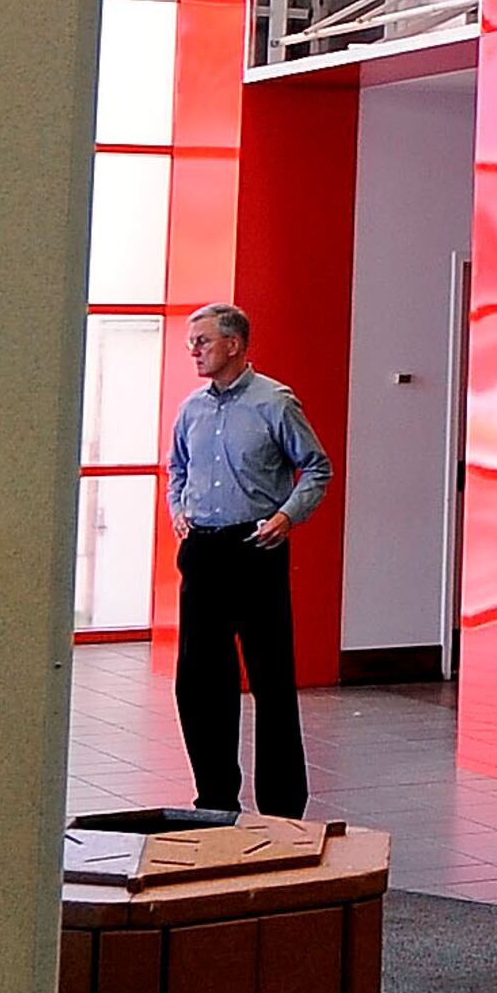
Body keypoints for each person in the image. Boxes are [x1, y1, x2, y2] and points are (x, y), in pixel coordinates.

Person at [166, 302, 329, 816]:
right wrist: (178, 509)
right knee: (199, 683)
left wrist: (287, 517)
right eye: (192, 341)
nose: (194, 349)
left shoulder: (274, 403)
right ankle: (214, 799)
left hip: (255, 550)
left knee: (270, 681)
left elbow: (317, 468)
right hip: (203, 554)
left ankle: (283, 808)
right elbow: (177, 469)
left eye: (203, 340)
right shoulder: (191, 408)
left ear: (234, 344)